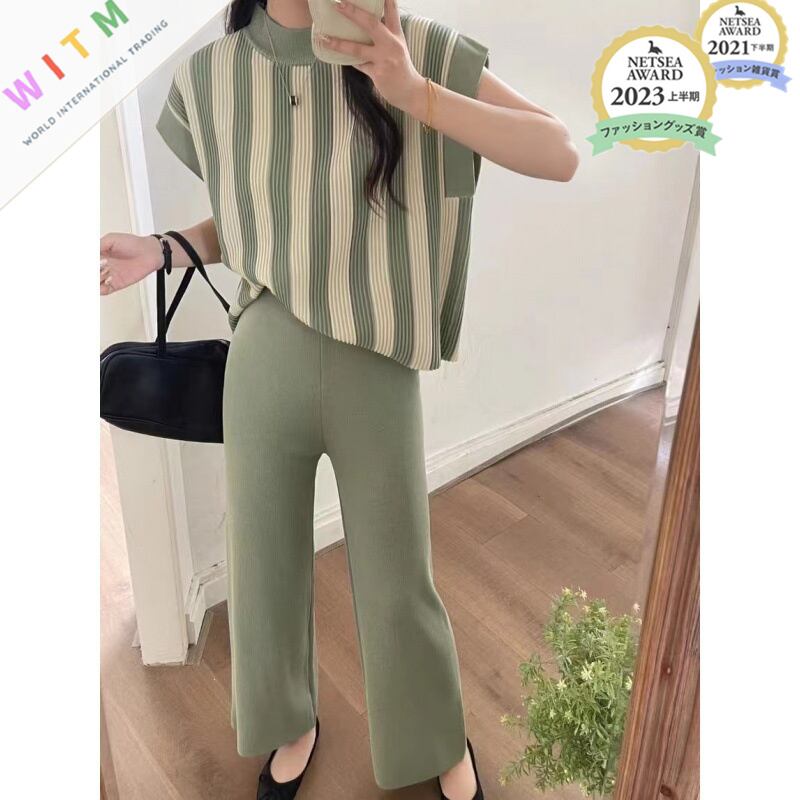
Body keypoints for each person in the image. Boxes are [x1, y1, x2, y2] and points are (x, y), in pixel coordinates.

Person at [99, 1, 578, 798]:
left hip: (374, 366)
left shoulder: (408, 45)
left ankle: (433, 735)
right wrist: (166, 249)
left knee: (398, 578)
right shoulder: (214, 76)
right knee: (261, 570)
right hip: (264, 361)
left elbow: (560, 152)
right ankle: (290, 723)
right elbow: (261, 214)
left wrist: (415, 92)